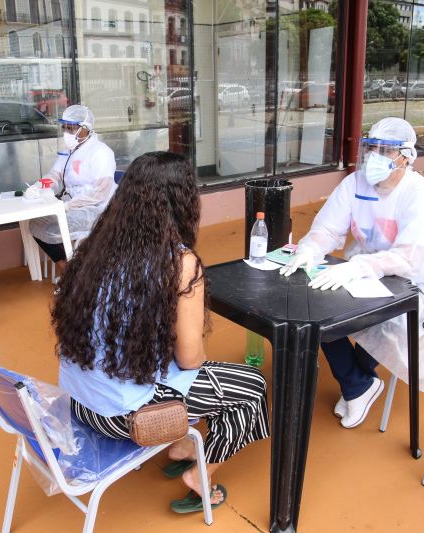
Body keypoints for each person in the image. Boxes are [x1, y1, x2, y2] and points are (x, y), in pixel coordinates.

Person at [52, 151, 269, 513]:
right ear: (184, 200)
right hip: (125, 417)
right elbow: (189, 358)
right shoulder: (180, 263)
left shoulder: (96, 246)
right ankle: (200, 474)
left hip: (81, 402)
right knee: (252, 388)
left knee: (192, 373)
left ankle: (184, 446)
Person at [280, 117, 424, 429]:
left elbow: (408, 257)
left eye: (384, 151)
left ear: (407, 156)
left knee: (380, 318)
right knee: (314, 306)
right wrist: (309, 249)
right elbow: (328, 229)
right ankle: (359, 383)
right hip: (365, 269)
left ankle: (356, 383)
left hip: (415, 277)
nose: (374, 157)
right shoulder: (355, 183)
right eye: (371, 148)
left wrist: (360, 267)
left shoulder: (420, 194)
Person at [29, 104, 116, 273]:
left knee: (53, 226)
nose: (67, 133)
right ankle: (68, 269)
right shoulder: (69, 151)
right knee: (36, 223)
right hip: (71, 205)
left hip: (96, 209)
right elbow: (54, 176)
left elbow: (101, 192)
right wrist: (38, 187)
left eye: (72, 128)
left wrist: (69, 206)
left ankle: (71, 274)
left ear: (86, 128)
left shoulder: (101, 152)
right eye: (65, 128)